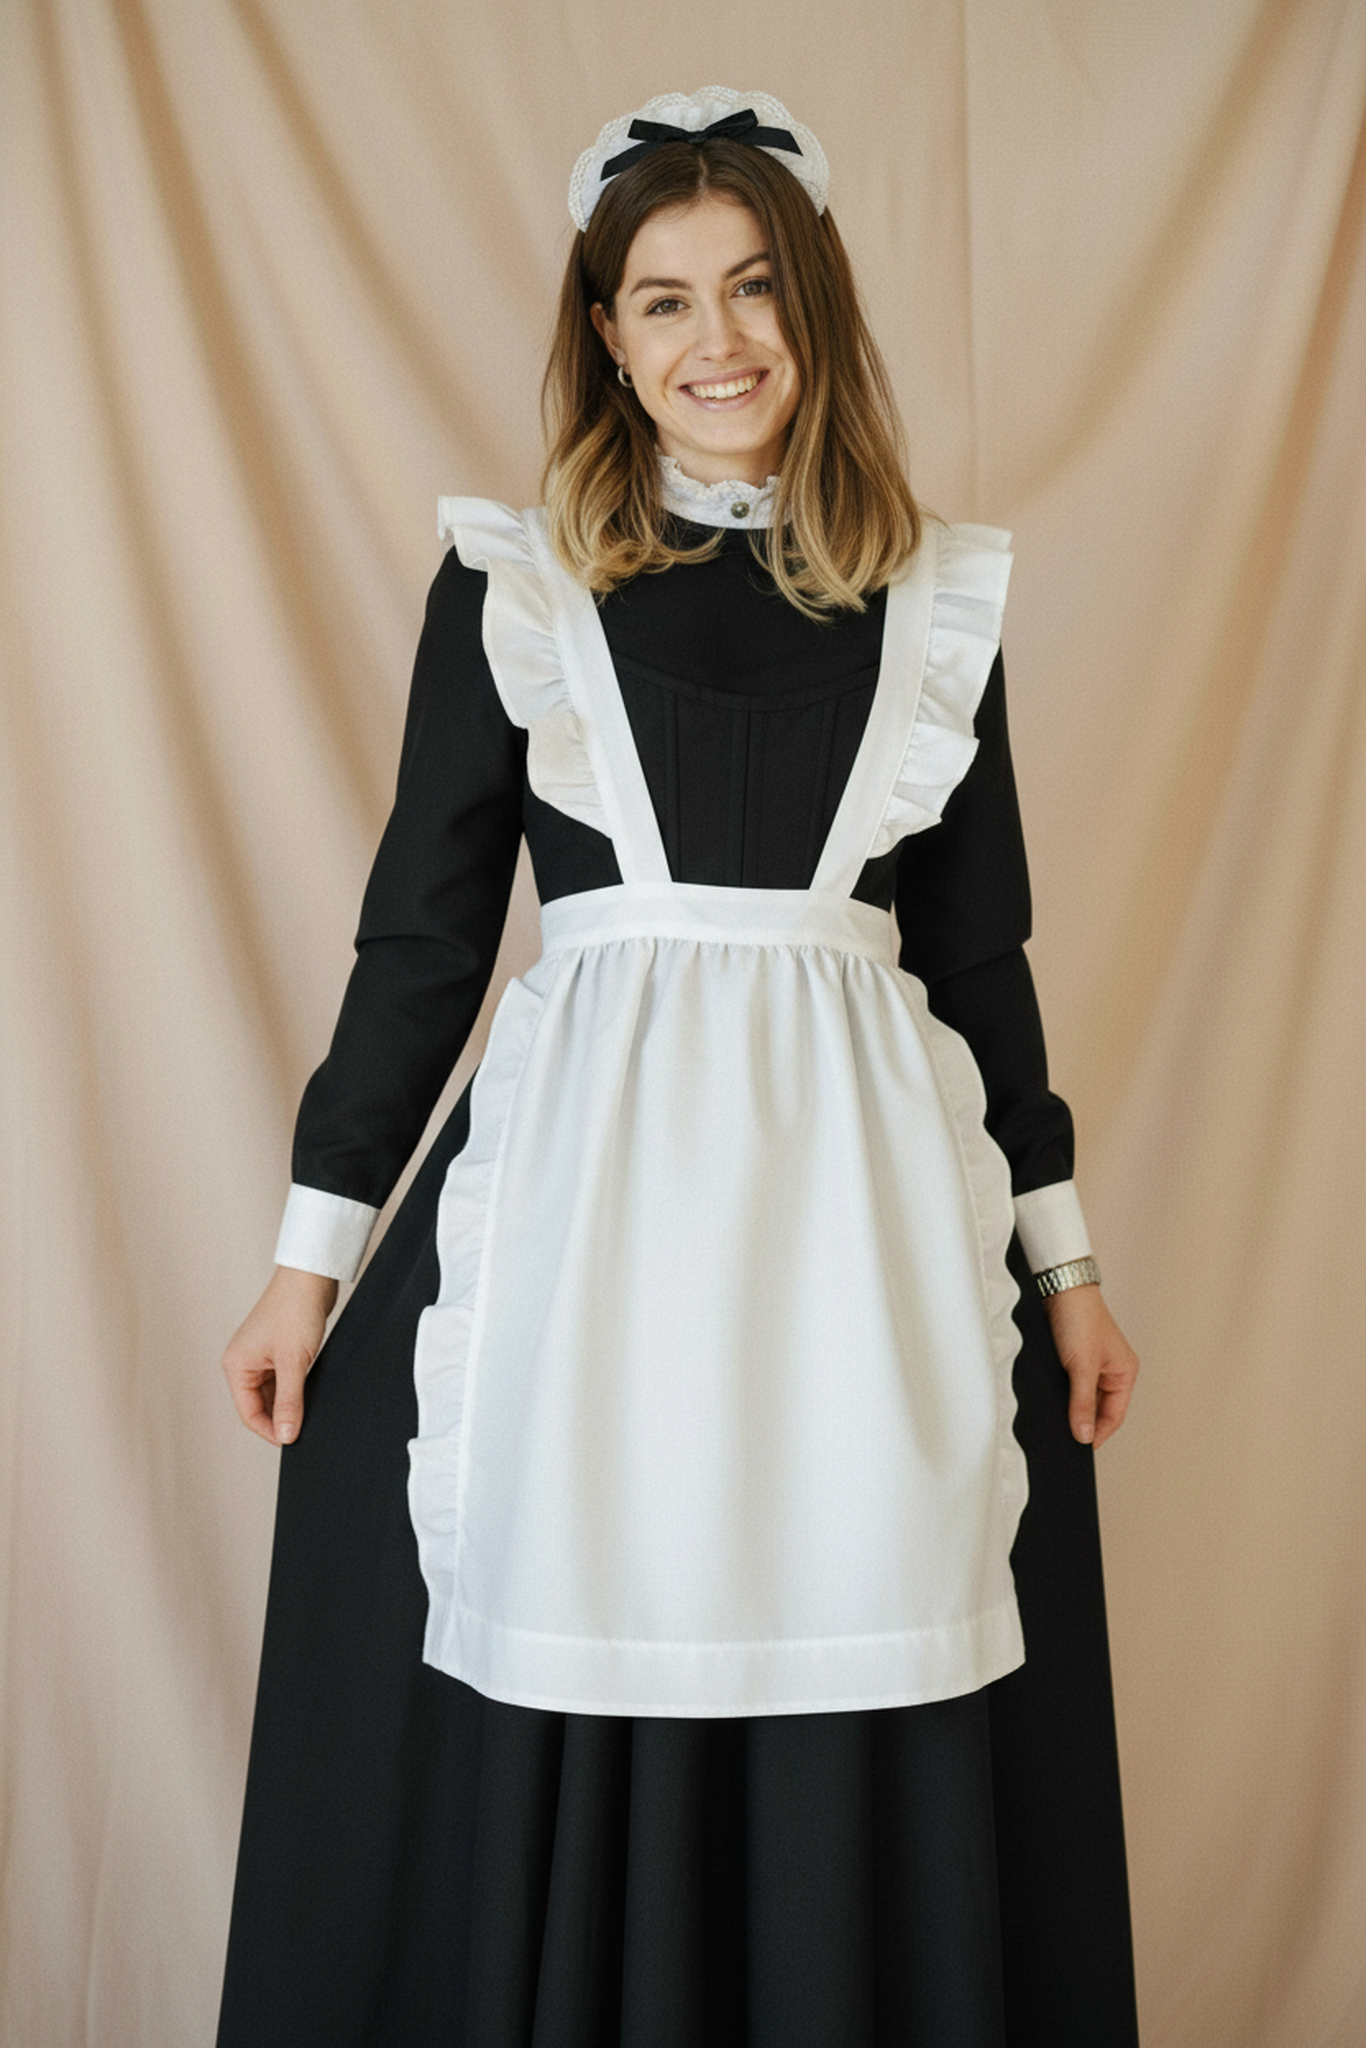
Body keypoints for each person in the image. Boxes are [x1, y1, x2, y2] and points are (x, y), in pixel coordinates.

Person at [218, 88, 1141, 2047]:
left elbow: (979, 964)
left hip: (857, 1232)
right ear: (604, 332)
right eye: (659, 302)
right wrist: (309, 1257)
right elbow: (421, 948)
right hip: (593, 1219)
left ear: (811, 311)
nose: (711, 339)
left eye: (748, 289)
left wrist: (1063, 1266)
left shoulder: (931, 612)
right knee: (580, 1593)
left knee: (856, 1604)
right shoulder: (519, 595)